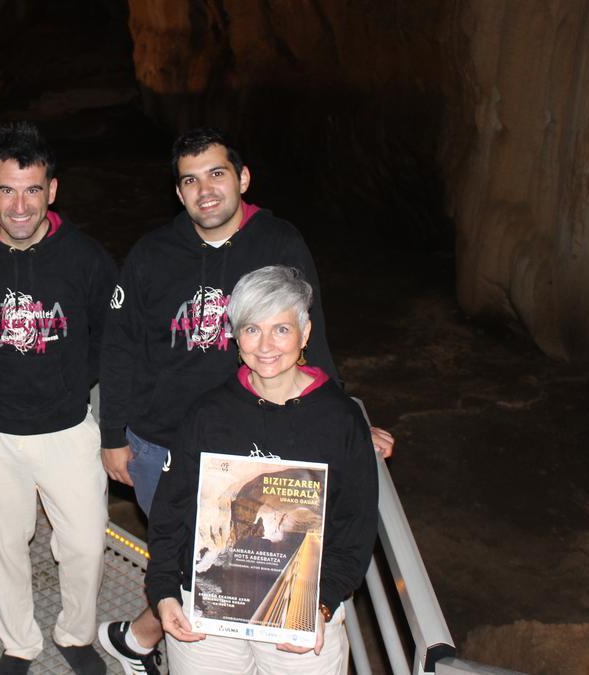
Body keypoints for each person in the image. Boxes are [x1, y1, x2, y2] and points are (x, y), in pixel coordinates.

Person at [96, 128, 393, 673]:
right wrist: (113, 436)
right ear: (178, 192)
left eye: (217, 174)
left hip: (256, 439)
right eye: (190, 180)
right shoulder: (152, 253)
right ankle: (155, 637)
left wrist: (341, 414)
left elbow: (309, 330)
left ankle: (140, 639)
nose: (205, 189)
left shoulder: (278, 242)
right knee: (193, 562)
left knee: (242, 561)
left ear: (242, 178)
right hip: (161, 442)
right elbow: (119, 347)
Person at [0, 122, 117, 674]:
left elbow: (109, 333)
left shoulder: (86, 257)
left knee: (85, 544)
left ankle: (77, 633)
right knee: (4, 547)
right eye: (8, 189)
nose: (20, 205)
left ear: (51, 191)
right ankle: (19, 643)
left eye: (33, 189)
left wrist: (67, 384)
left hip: (67, 427)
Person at [146, 264, 378, 673]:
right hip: (209, 610)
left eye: (281, 329)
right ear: (235, 336)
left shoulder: (340, 420)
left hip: (300, 608)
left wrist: (321, 606)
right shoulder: (209, 413)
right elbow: (172, 508)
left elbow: (355, 525)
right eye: (252, 329)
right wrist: (164, 591)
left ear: (305, 333)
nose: (266, 345)